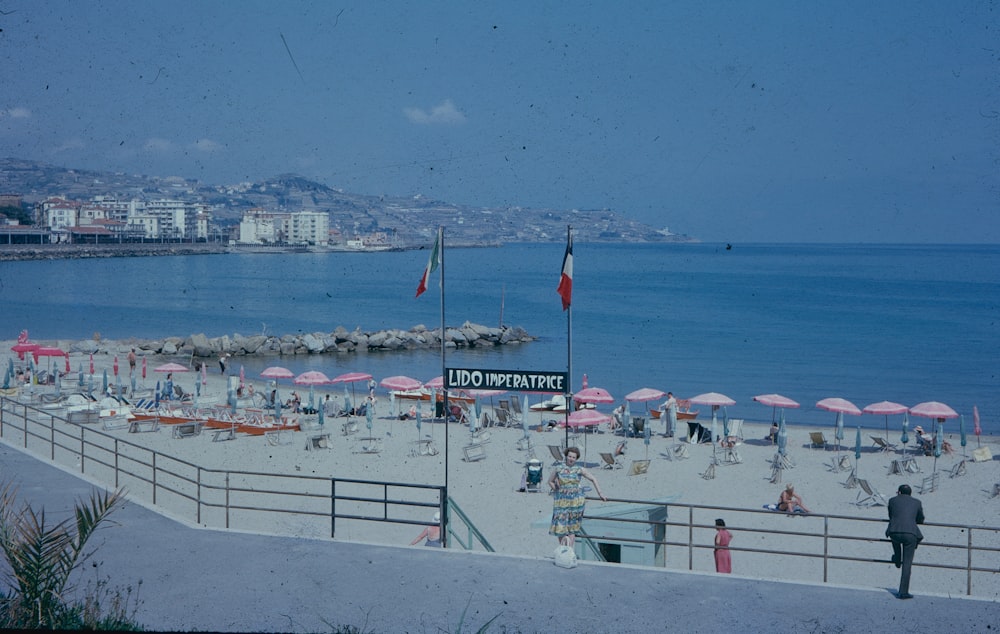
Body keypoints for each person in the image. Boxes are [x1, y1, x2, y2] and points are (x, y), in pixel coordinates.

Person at [548, 446, 606, 548]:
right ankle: (562, 548)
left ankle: (569, 550)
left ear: (576, 459)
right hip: (561, 501)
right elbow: (550, 481)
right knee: (560, 527)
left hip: (575, 502)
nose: (571, 459)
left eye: (573, 457)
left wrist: (600, 493)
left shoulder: (579, 469)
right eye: (569, 456)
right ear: (566, 456)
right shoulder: (558, 468)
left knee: (572, 528)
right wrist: (556, 489)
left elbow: (593, 479)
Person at [886, 484, 924, 599]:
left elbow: (890, 515)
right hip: (910, 534)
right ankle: (903, 592)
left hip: (894, 531)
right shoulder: (917, 502)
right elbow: (920, 519)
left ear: (899, 492)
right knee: (907, 564)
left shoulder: (892, 500)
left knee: (896, 540)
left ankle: (897, 558)